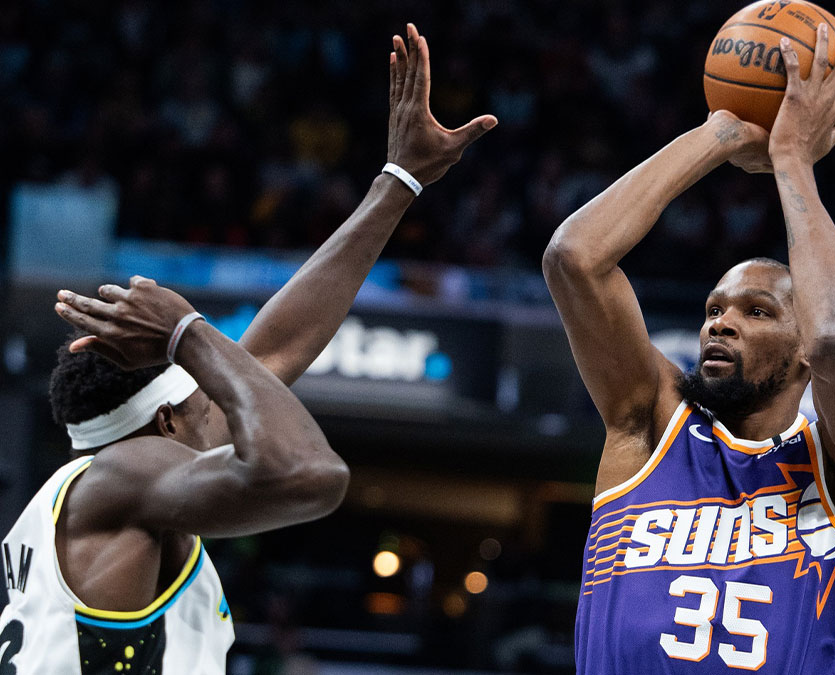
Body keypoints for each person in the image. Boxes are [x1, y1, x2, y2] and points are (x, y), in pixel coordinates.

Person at [0, 25, 495, 673]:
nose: (223, 397)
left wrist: (400, 179)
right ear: (165, 420)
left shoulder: (99, 486)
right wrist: (188, 333)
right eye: (201, 392)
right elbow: (311, 474)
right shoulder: (127, 473)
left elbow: (270, 355)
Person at [544, 26, 835, 674]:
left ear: (798, 353)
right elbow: (575, 257)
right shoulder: (652, 419)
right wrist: (725, 132)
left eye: (755, 311)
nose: (721, 323)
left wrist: (793, 161)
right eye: (714, 310)